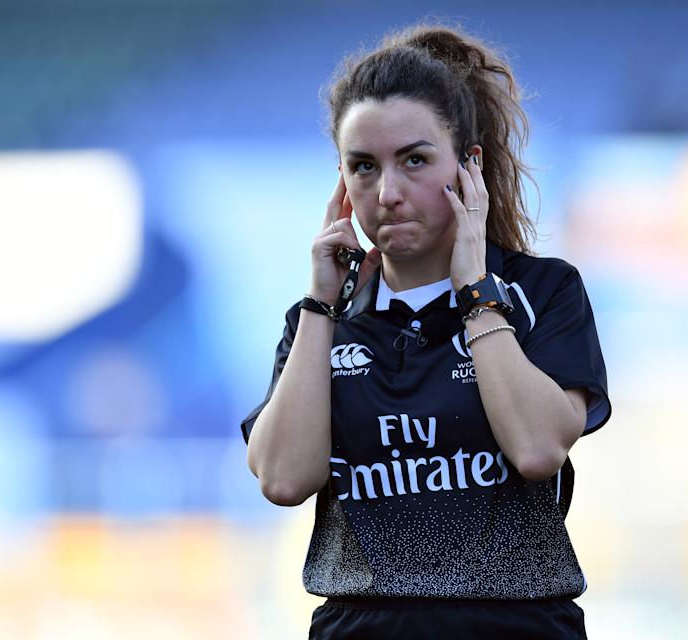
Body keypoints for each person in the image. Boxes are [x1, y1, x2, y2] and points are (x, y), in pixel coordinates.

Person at [240, 23, 612, 640]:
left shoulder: (541, 291)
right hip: (359, 625)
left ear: (468, 167)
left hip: (518, 627)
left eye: (414, 160)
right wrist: (320, 305)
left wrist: (475, 295)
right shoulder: (319, 318)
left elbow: (539, 448)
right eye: (363, 167)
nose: (388, 192)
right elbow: (282, 479)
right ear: (341, 183)